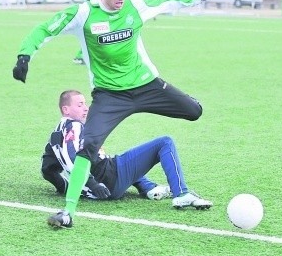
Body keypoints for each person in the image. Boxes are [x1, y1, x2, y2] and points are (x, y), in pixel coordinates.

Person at [12, 0, 212, 229]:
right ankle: (68, 212)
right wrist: (25, 55)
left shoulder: (135, 3)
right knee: (88, 147)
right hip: (110, 96)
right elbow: (45, 29)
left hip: (146, 85)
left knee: (194, 111)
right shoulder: (83, 15)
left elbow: (165, 2)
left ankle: (176, 192)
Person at [41, 90, 212, 219]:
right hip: (110, 179)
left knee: (121, 159)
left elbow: (47, 169)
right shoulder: (74, 126)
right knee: (164, 143)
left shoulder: (55, 135)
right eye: (80, 105)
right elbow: (73, 159)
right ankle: (181, 194)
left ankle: (149, 188)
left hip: (104, 184)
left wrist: (66, 188)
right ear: (66, 109)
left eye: (85, 104)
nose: (86, 109)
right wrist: (92, 184)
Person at [73, 0, 107, 65]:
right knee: (94, 34)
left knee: (99, 35)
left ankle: (89, 56)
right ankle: (79, 56)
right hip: (95, 12)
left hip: (101, 12)